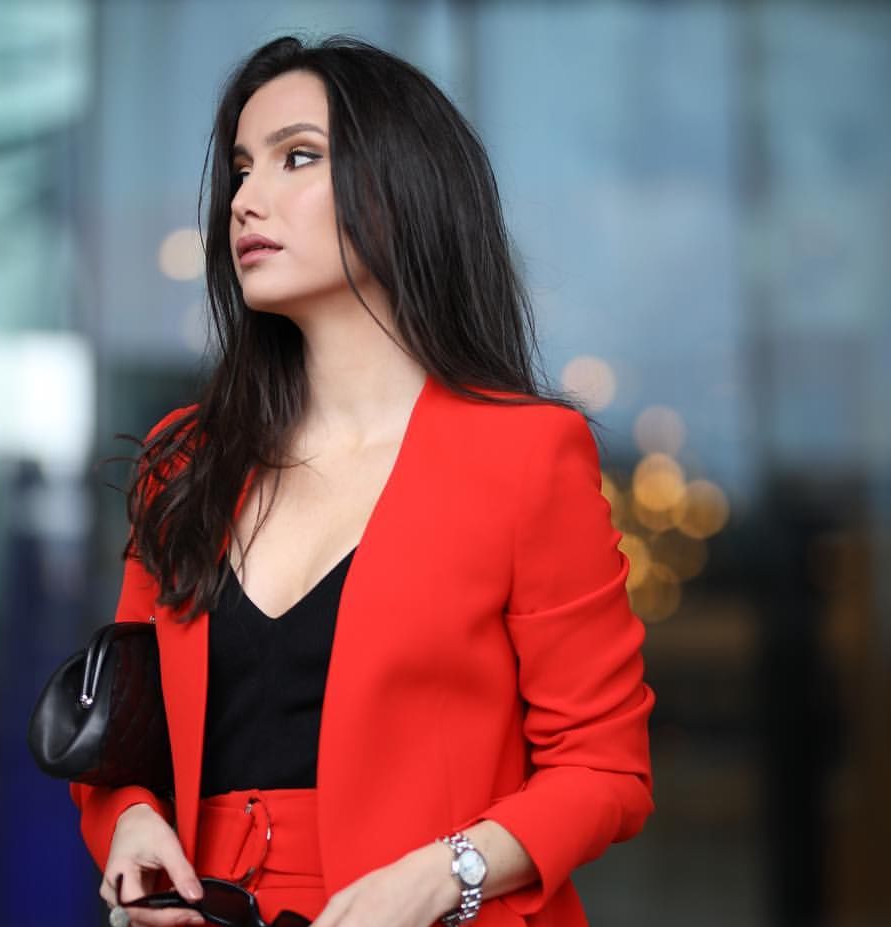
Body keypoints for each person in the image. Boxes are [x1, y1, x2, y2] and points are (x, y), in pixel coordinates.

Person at [71, 35, 654, 927]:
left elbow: (603, 768)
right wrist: (131, 819)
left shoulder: (525, 455)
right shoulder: (185, 460)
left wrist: (446, 872)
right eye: (240, 168)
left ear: (397, 188)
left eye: (297, 157)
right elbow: (124, 737)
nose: (244, 199)